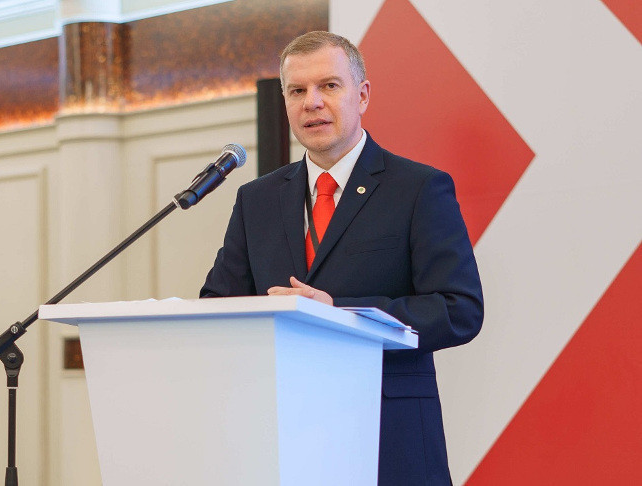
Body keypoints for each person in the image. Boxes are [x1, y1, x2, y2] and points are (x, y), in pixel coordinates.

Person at [200, 31, 484, 485]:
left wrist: (340, 313)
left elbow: (459, 310)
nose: (311, 102)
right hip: (280, 440)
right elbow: (217, 305)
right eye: (297, 91)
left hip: (387, 440)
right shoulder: (256, 200)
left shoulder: (418, 189)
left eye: (329, 86)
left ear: (363, 95)